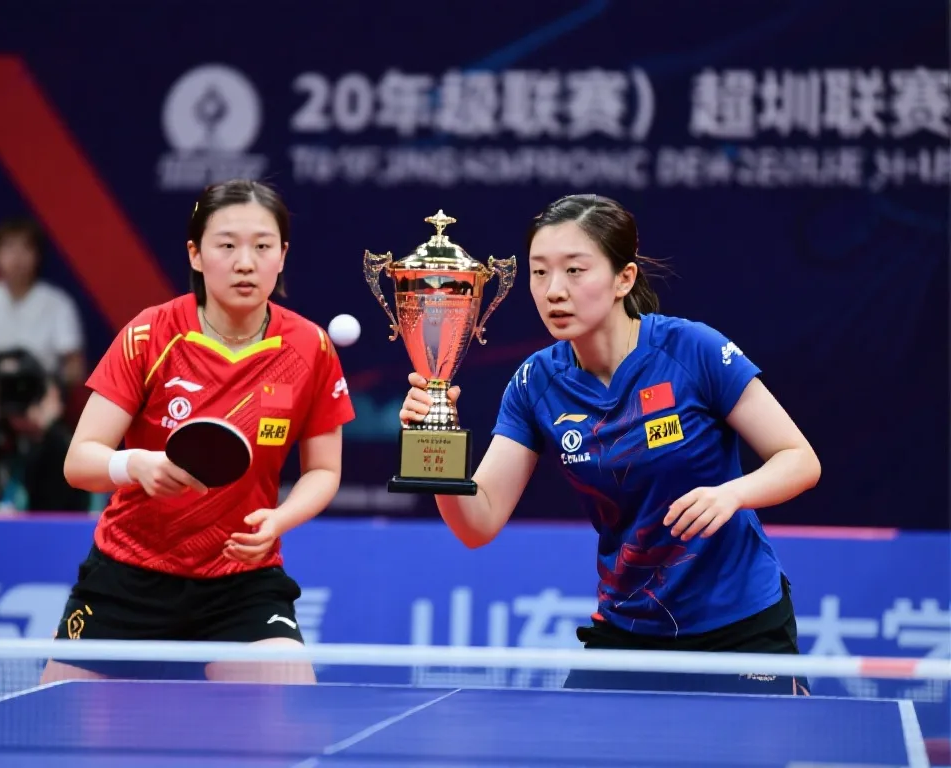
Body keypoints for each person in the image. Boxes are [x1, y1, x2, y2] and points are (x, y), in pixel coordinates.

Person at [399, 194, 821, 696]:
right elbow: (478, 523)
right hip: (630, 631)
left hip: (739, 625)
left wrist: (732, 494)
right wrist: (437, 446)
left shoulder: (692, 350)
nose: (554, 291)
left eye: (575, 270)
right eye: (540, 272)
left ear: (624, 278)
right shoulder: (536, 383)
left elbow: (799, 459)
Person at [41, 179, 355, 685]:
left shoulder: (310, 348)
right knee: (60, 725)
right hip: (128, 574)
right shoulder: (150, 334)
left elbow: (323, 470)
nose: (245, 262)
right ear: (195, 254)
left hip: (241, 582)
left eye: (262, 246)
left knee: (289, 708)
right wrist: (135, 465)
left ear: (282, 256)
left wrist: (279, 520)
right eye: (226, 245)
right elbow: (79, 462)